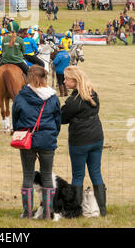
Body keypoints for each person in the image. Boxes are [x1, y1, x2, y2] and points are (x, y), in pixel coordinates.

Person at [12, 65, 61, 219]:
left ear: (29, 77)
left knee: (27, 175)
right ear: (44, 77)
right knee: (46, 175)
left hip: (27, 138)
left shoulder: (21, 96)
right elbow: (57, 120)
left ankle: (27, 213)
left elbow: (15, 118)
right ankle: (47, 213)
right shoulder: (53, 97)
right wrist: (52, 134)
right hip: (47, 139)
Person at [61, 66, 106, 216]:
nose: (64, 81)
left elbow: (63, 118)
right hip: (96, 138)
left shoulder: (73, 101)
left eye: (67, 79)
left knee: (78, 175)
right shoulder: (93, 94)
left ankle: (76, 211)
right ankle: (102, 210)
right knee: (96, 173)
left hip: (80, 142)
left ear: (76, 80)